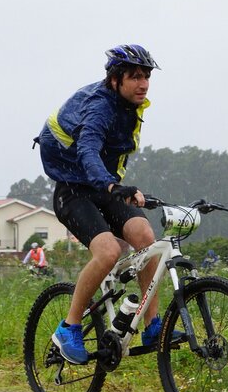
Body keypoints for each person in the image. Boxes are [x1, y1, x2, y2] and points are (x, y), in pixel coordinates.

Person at [34, 44, 168, 364]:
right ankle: (69, 327)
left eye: (147, 77)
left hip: (102, 188)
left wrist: (115, 188)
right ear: (115, 80)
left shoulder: (128, 106)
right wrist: (112, 185)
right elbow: (88, 150)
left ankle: (152, 325)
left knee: (146, 237)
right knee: (108, 252)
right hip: (72, 191)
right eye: (135, 77)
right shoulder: (99, 106)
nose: (143, 84)